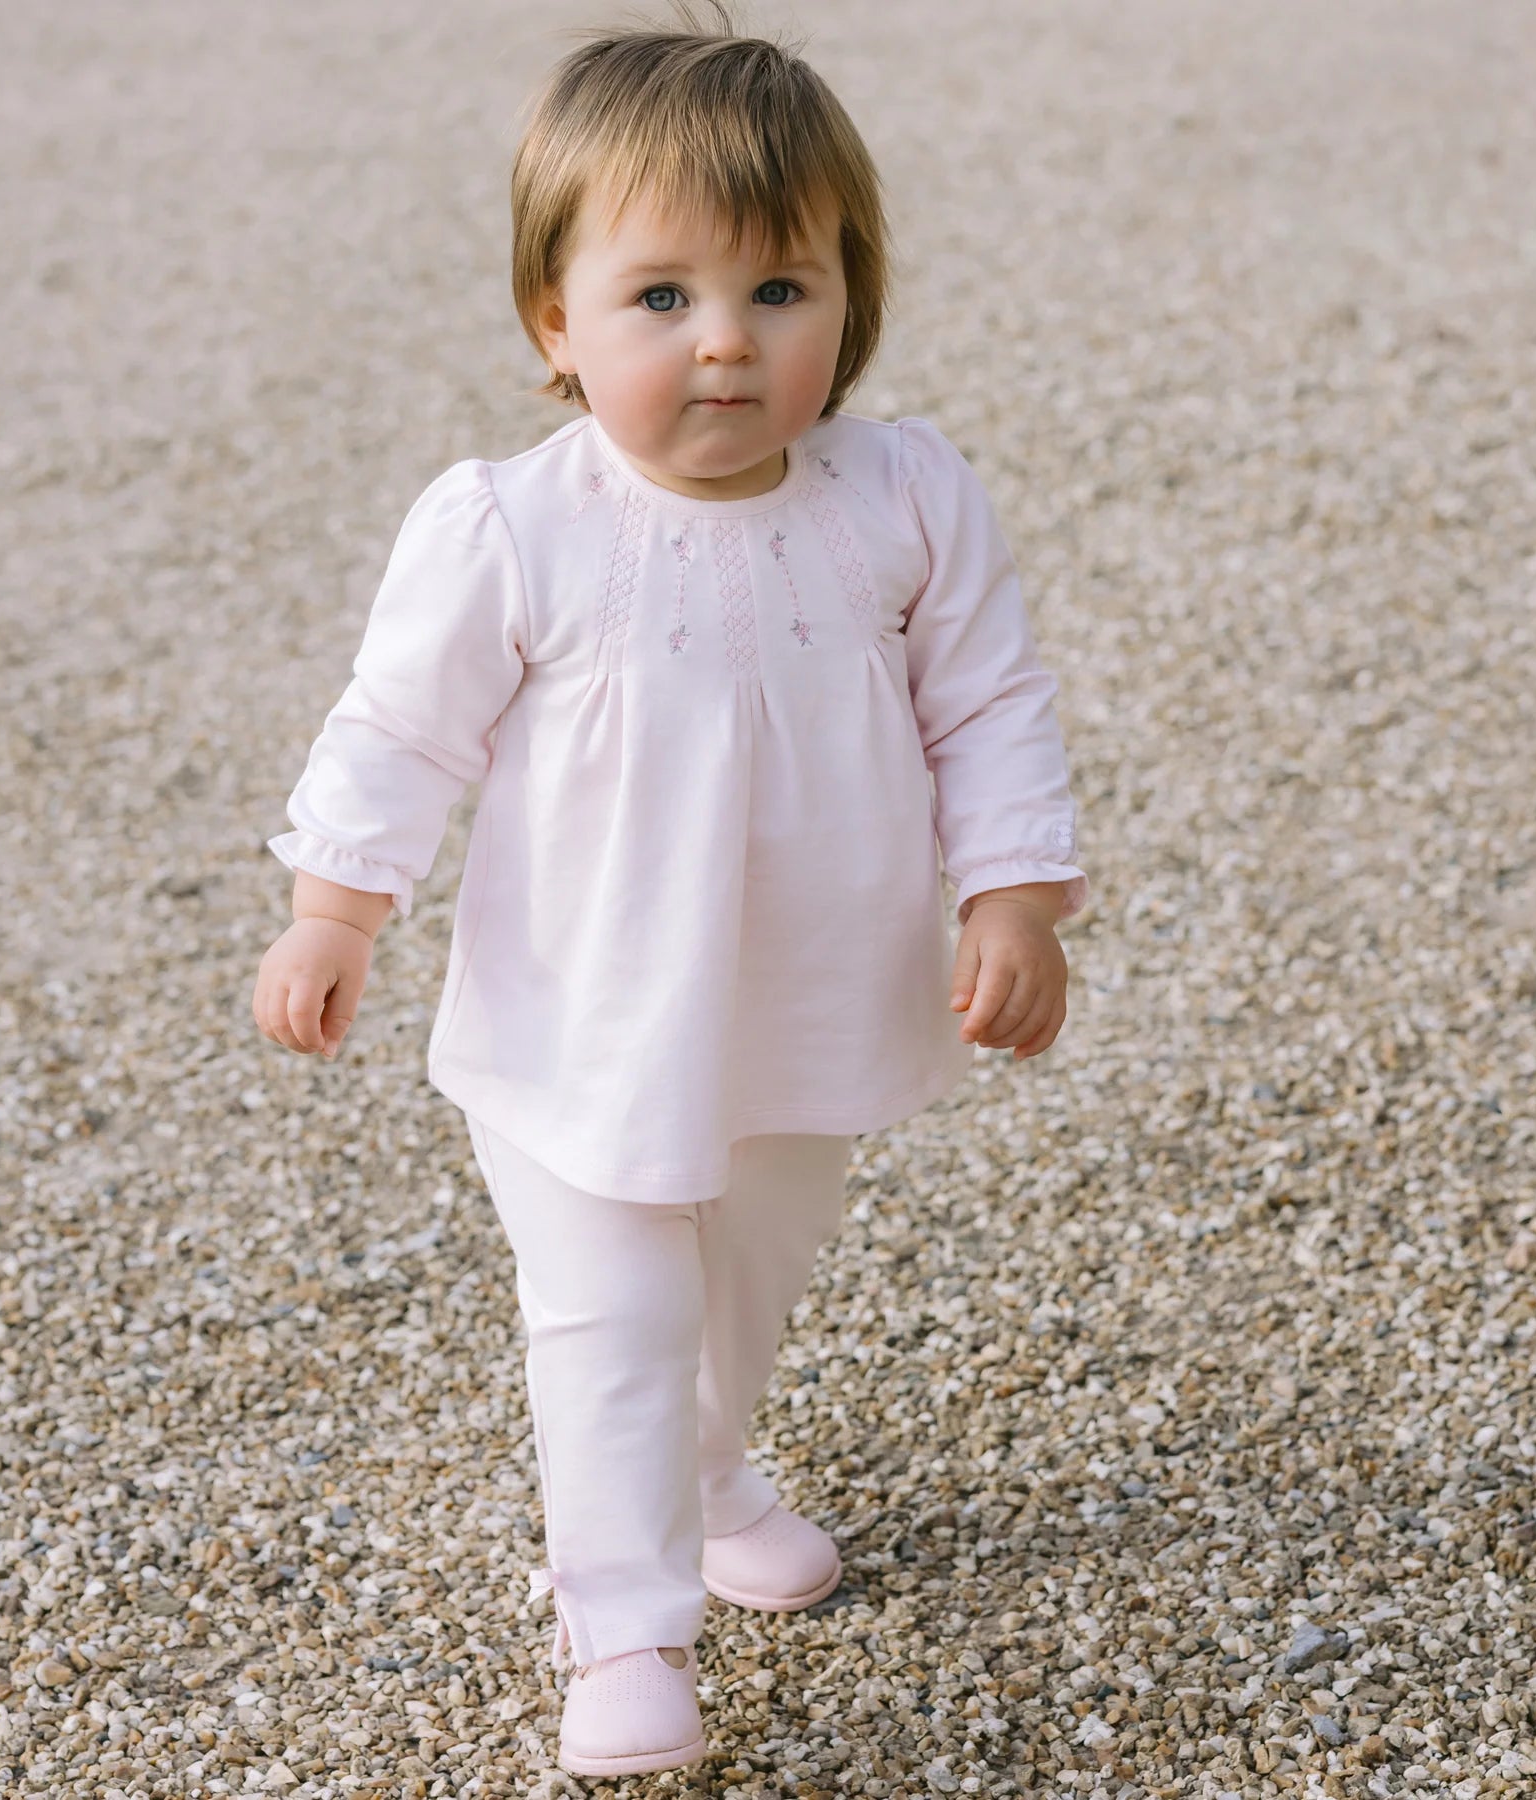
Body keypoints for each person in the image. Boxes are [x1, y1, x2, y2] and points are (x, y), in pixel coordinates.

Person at [251, 0, 1088, 1777]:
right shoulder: (514, 527)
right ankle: (620, 1616)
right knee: (613, 1308)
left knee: (753, 1276)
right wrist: (340, 905)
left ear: (849, 299)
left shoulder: (903, 498)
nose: (725, 343)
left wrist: (1012, 893)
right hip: (584, 1018)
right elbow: (402, 725)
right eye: (662, 299)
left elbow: (990, 698)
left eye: (780, 291)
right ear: (553, 321)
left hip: (806, 1002)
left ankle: (711, 1473)